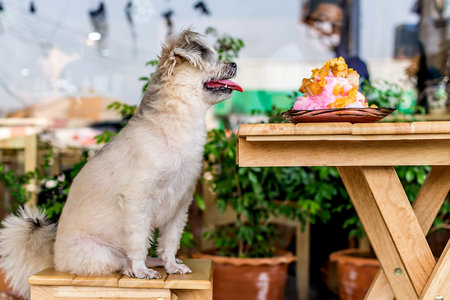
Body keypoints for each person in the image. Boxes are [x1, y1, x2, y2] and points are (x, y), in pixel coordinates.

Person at [302, 0, 370, 84]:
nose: (329, 30)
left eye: (337, 25)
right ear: (305, 20)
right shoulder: (288, 56)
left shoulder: (352, 65)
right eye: (322, 21)